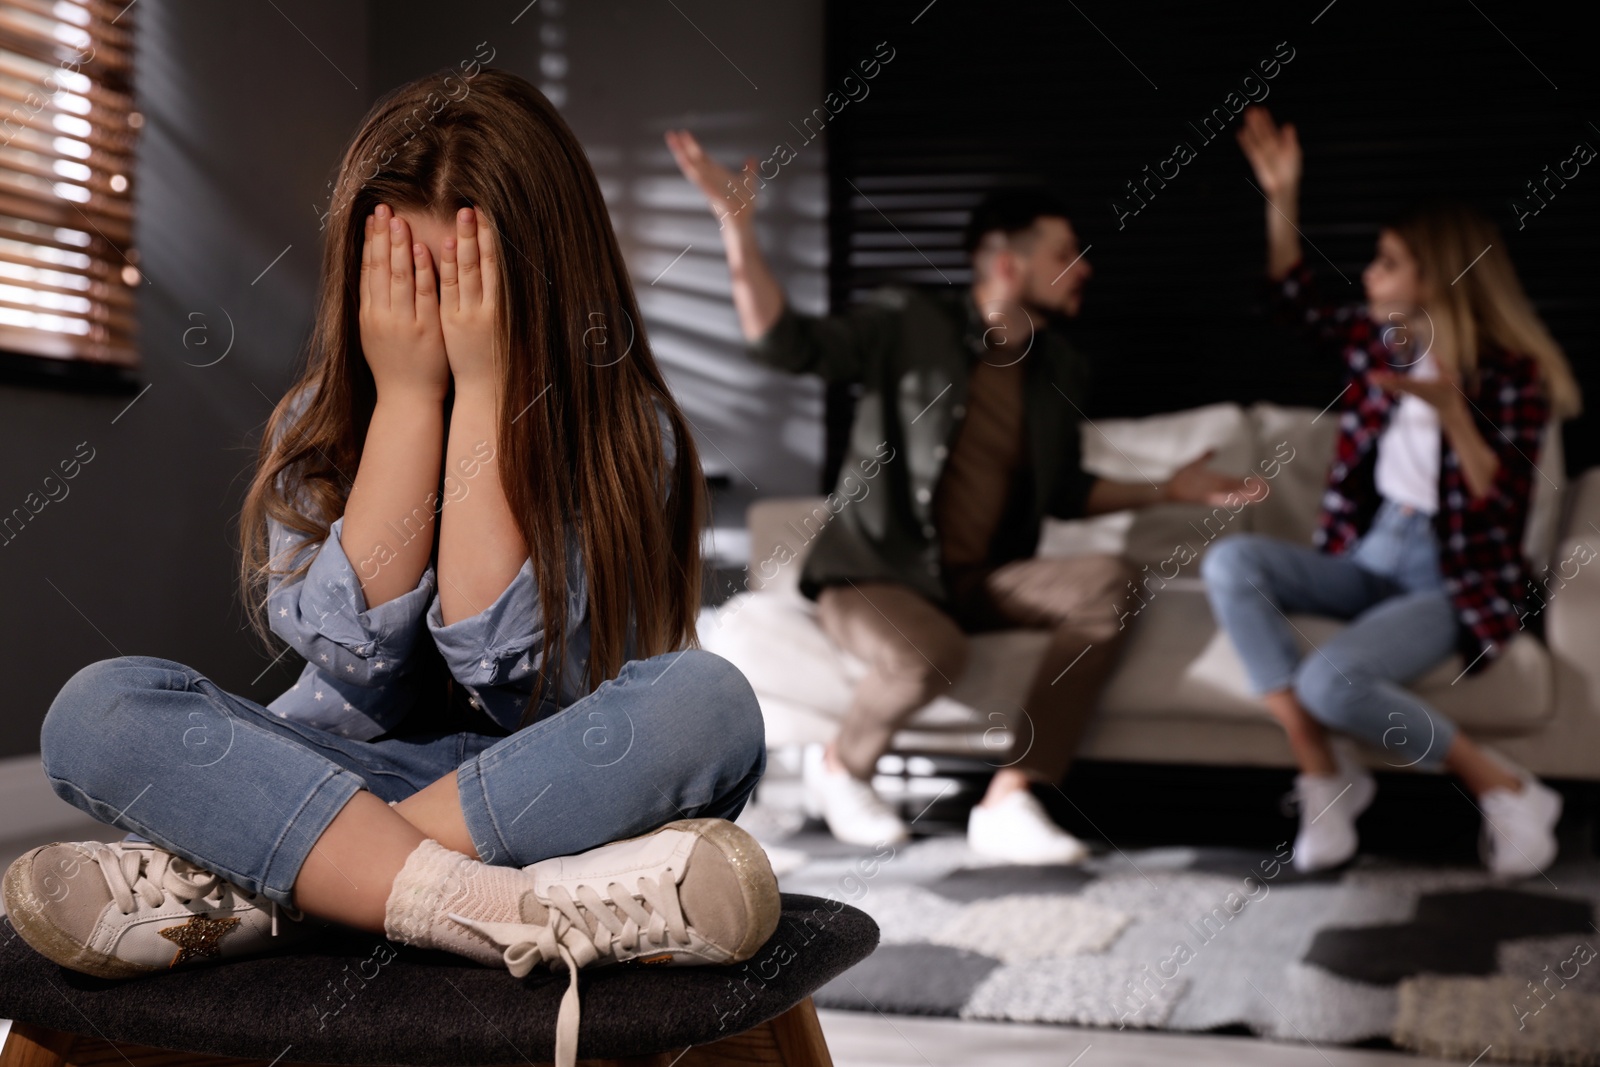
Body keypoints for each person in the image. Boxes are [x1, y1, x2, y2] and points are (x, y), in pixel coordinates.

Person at [4, 70, 778, 1067]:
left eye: (462, 287)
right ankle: (493, 906)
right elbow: (353, 659)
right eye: (402, 282)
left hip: (552, 792)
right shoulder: (317, 427)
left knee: (710, 705)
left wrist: (486, 386)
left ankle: (270, 890)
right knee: (95, 708)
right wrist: (412, 402)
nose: (436, 317)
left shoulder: (628, 437)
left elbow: (510, 675)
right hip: (355, 777)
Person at [667, 130, 1249, 863]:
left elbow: (1065, 490)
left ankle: (1010, 799)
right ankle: (841, 766)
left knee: (1112, 581)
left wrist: (1169, 486)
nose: (1083, 269)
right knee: (931, 652)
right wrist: (737, 229)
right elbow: (786, 343)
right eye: (1064, 252)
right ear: (1008, 262)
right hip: (874, 573)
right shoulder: (911, 324)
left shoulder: (1059, 365)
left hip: (977, 580)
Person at [1202, 106, 1583, 876]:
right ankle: (1322, 771)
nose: (1370, 275)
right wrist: (1282, 195)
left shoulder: (1510, 375)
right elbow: (1293, 299)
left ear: (1435, 275)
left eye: (1387, 261)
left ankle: (1506, 786)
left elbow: (1499, 507)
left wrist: (1455, 418)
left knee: (1332, 681)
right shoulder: (1385, 345)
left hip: (1453, 577)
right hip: (1371, 555)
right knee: (1232, 562)